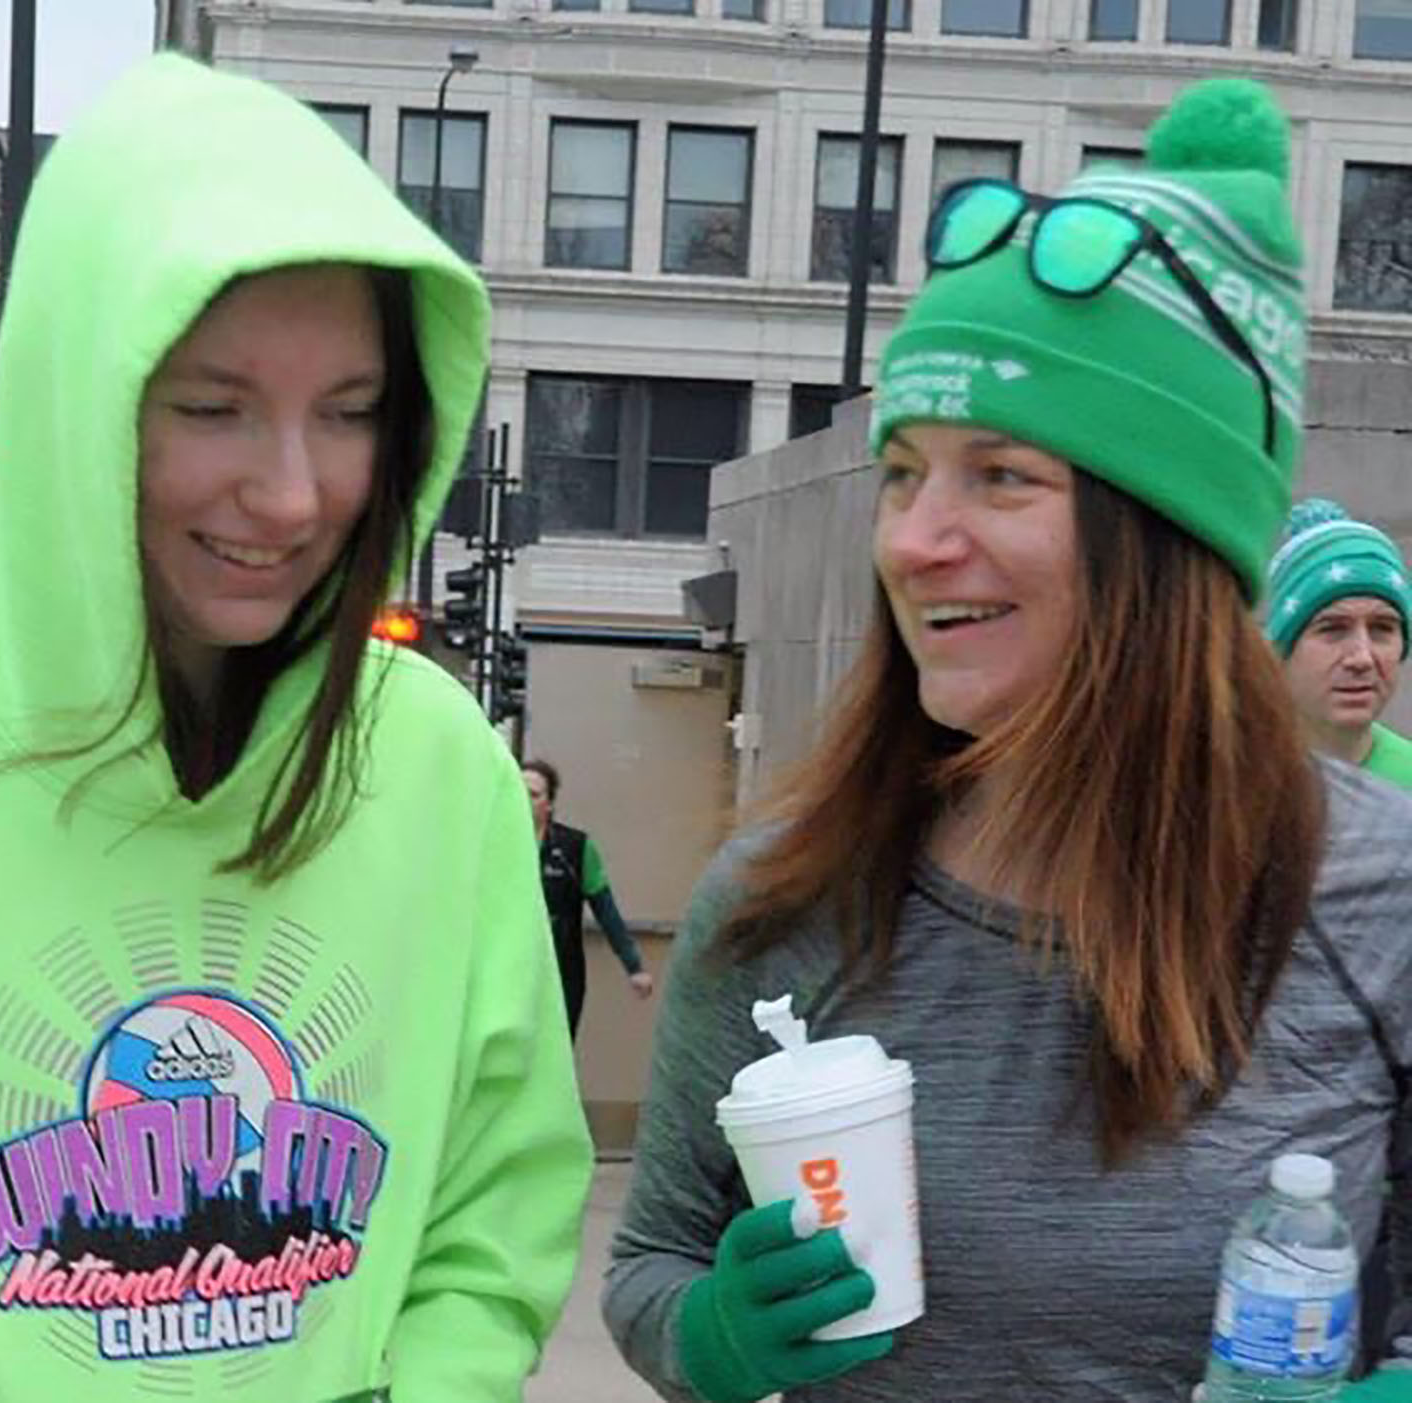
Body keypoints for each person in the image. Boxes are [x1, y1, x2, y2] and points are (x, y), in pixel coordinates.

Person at [603, 77, 1412, 1403]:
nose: (915, 536)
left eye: (1001, 474)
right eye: (906, 470)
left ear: (1167, 537)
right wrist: (713, 1332)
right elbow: (648, 1264)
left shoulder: (1381, 893)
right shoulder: (778, 899)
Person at [0, 54, 591, 1403]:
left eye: (349, 414)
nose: (290, 493)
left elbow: (493, 1209)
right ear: (81, 405)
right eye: (211, 407)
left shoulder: (439, 763)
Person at [1266, 498, 1412, 789]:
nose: (1362, 658)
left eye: (1382, 628)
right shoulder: (1227, 785)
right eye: (1333, 629)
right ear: (1282, 649)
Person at [521, 757, 654, 1039]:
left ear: (550, 803)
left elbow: (605, 910)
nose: (524, 800)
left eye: (533, 794)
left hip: (560, 970)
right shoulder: (492, 843)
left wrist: (634, 966)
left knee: (556, 1050)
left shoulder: (575, 848)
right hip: (510, 968)